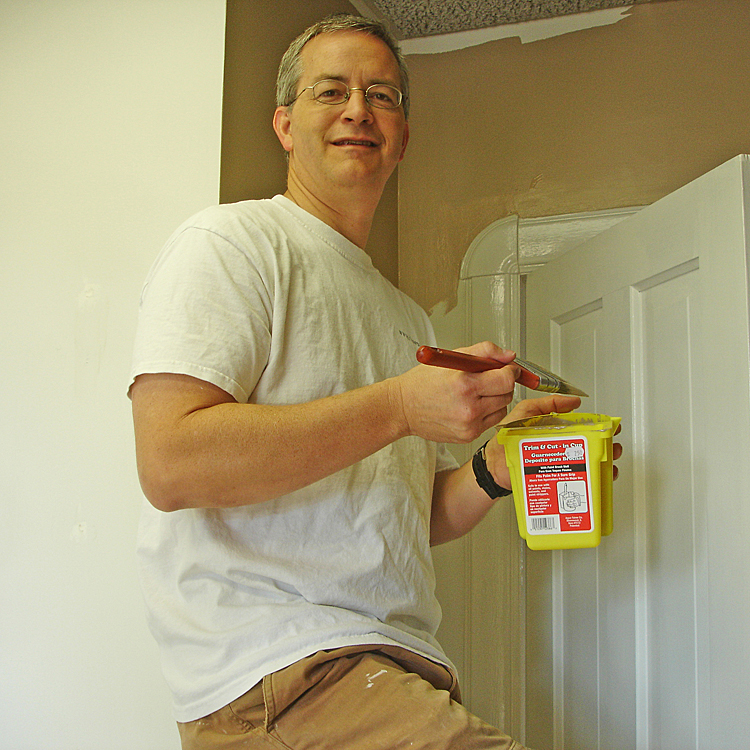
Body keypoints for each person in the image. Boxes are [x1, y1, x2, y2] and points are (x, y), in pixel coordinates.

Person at [130, 13, 614, 749]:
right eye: (332, 92)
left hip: (386, 668)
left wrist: (495, 467)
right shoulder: (231, 245)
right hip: (286, 671)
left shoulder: (406, 317)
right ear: (286, 125)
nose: (359, 109)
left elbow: (400, 519)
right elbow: (171, 462)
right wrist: (396, 407)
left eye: (382, 95)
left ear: (402, 137)